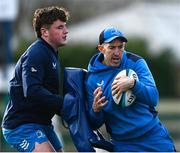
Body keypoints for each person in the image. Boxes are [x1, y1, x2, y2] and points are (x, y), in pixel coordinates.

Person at [85, 27, 176, 151]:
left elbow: (153, 98)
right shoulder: (92, 79)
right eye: (112, 47)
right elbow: (95, 123)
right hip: (124, 144)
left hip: (153, 136)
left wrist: (133, 84)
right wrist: (96, 110)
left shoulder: (136, 62)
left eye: (121, 47)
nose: (117, 52)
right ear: (101, 49)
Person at [1, 6, 69, 152]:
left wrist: (68, 108)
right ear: (44, 32)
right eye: (60, 27)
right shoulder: (36, 53)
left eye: (65, 26)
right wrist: (64, 104)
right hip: (21, 126)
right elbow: (32, 90)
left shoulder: (51, 53)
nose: (66, 31)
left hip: (42, 123)